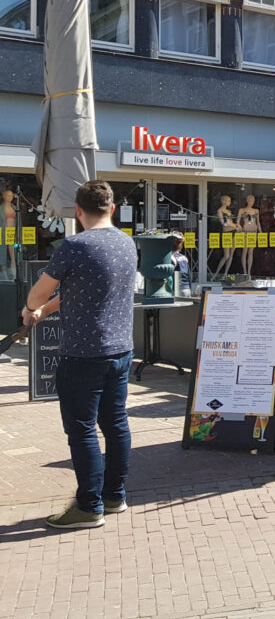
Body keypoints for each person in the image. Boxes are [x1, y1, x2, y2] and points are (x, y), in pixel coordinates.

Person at [24, 181, 138, 529]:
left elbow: (37, 293)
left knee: (82, 429)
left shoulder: (74, 245)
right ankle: (114, 496)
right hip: (120, 350)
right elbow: (85, 288)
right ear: (112, 209)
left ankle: (88, 507)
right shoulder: (127, 243)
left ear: (78, 211)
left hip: (83, 354)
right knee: (116, 424)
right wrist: (48, 309)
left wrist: (33, 308)